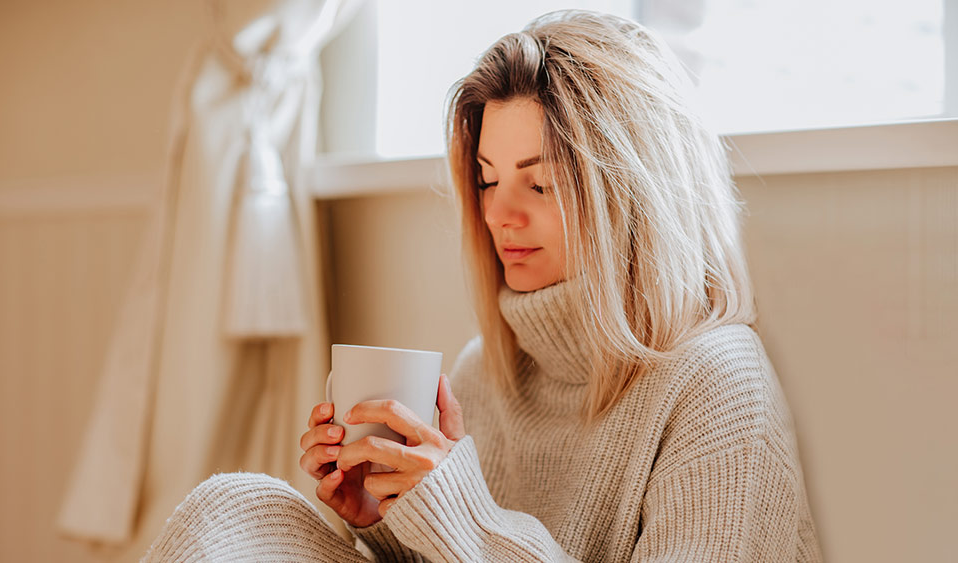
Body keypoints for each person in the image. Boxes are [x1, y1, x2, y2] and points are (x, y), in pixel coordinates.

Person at [144, 10, 822, 562]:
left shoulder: (719, 384)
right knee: (232, 511)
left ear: (633, 195)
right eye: (488, 178)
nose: (501, 214)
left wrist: (460, 510)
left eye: (541, 181)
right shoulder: (487, 369)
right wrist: (389, 514)